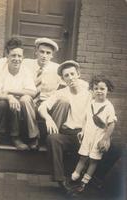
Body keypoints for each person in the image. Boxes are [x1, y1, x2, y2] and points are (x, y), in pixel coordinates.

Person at [38, 60, 91, 191]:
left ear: (78, 74)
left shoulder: (89, 91)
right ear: (63, 79)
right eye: (66, 75)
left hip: (85, 133)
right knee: (52, 139)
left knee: (115, 149)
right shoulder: (61, 93)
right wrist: (48, 118)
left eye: (72, 74)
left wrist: (87, 131)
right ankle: (61, 181)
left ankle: (93, 179)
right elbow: (42, 107)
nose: (70, 77)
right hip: (68, 133)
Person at [0, 38, 39, 150]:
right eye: (13, 55)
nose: (17, 59)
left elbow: (32, 92)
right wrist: (9, 97)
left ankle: (16, 138)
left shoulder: (26, 71)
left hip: (17, 107)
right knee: (2, 103)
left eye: (19, 56)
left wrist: (10, 92)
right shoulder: (0, 68)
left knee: (21, 101)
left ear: (23, 57)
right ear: (7, 56)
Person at [71, 74, 117, 193]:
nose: (99, 91)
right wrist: (82, 131)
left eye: (102, 89)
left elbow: (111, 124)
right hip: (88, 136)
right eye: (96, 88)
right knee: (83, 156)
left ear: (108, 90)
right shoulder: (91, 103)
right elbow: (86, 119)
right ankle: (74, 176)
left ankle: (84, 182)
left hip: (99, 137)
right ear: (92, 89)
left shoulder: (108, 106)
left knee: (93, 160)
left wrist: (104, 139)